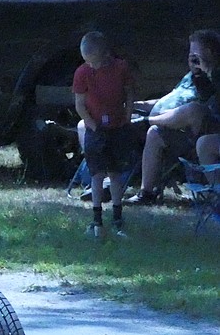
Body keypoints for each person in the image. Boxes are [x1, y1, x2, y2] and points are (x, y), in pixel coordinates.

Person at [128, 29, 219, 203]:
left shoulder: (214, 76)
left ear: (210, 53)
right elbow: (169, 97)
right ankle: (146, 193)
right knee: (154, 133)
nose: (192, 60)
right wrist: (136, 105)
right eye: (190, 55)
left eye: (196, 55)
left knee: (193, 108)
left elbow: (205, 103)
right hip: (177, 129)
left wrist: (208, 70)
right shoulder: (191, 76)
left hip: (202, 132)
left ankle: (145, 122)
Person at [73, 30, 136, 238]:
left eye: (95, 62)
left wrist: (127, 116)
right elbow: (80, 104)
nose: (92, 66)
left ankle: (118, 217)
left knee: (115, 174)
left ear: (106, 54)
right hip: (96, 129)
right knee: (97, 175)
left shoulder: (120, 68)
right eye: (88, 62)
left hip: (117, 128)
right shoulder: (82, 72)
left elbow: (129, 93)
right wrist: (92, 125)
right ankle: (97, 218)